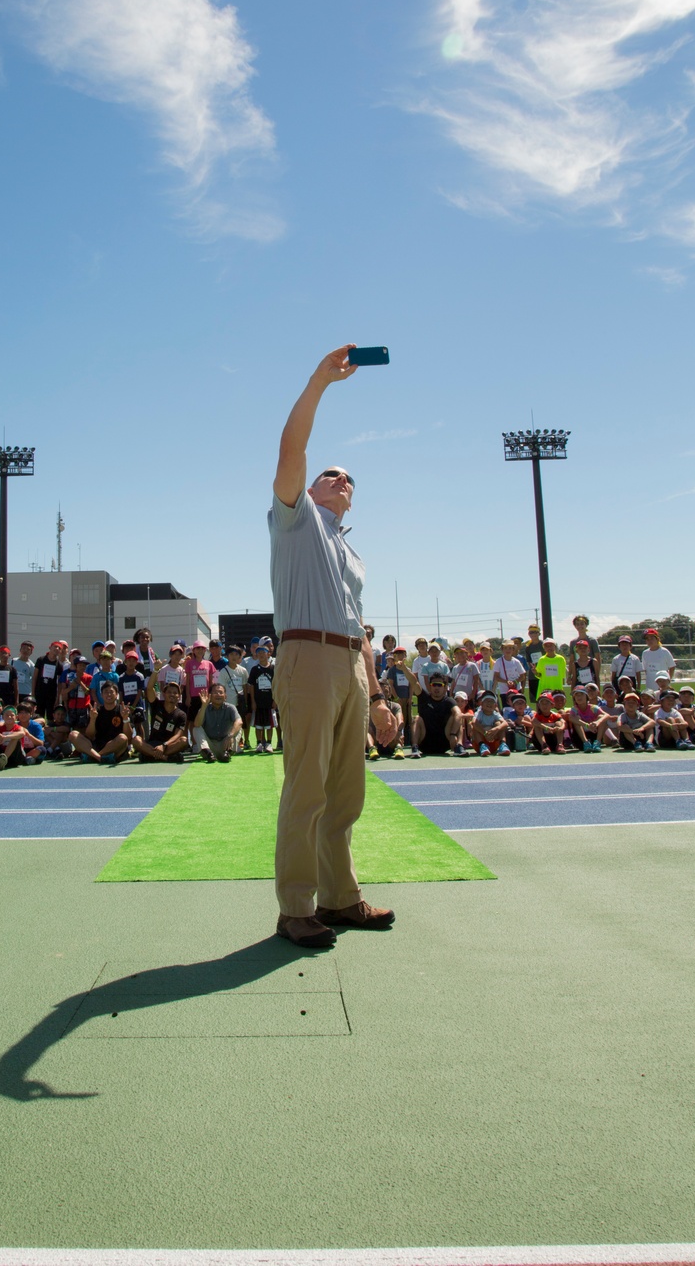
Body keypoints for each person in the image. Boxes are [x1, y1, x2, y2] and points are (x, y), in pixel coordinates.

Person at [268, 346, 397, 949]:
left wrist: (376, 697)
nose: (341, 480)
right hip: (307, 658)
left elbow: (363, 632)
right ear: (312, 487)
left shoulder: (353, 553)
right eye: (331, 473)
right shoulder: (296, 521)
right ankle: (294, 907)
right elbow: (291, 452)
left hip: (348, 661)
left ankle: (340, 899)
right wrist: (320, 380)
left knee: (346, 791)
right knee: (307, 788)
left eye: (349, 479)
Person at [410, 673, 463, 758]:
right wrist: (404, 669)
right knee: (416, 718)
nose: (436, 687)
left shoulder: (449, 701)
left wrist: (453, 735)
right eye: (434, 685)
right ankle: (415, 748)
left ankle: (459, 747)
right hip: (424, 743)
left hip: (445, 743)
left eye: (440, 685)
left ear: (445, 688)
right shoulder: (424, 698)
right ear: (430, 686)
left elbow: (458, 713)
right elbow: (414, 682)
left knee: (458, 716)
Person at [134, 681, 189, 763]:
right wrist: (156, 671)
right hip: (152, 744)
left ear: (179, 696)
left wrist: (164, 745)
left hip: (169, 745)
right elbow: (149, 688)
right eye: (169, 692)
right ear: (164, 694)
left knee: (184, 740)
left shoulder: (181, 714)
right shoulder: (156, 705)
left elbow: (178, 735)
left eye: (175, 693)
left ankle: (151, 756)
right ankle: (164, 757)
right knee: (136, 740)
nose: (172, 694)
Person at [193, 682, 241, 761]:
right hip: (210, 745)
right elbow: (197, 724)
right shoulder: (205, 708)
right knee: (196, 729)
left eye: (221, 692)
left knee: (238, 728)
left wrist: (230, 735)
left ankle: (227, 753)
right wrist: (204, 706)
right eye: (215, 692)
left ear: (225, 696)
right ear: (210, 695)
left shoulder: (231, 708)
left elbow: (239, 721)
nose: (218, 695)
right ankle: (208, 753)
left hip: (225, 744)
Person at [216, 643, 250, 750]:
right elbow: (221, 688)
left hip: (240, 701)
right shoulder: (223, 672)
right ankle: (231, 742)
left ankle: (244, 741)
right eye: (232, 654)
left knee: (242, 722)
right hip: (229, 702)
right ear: (227, 656)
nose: (234, 657)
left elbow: (245, 687)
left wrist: (245, 701)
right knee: (230, 723)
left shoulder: (243, 671)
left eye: (237, 654)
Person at [247, 642, 276, 752]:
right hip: (258, 701)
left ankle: (268, 743)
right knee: (258, 724)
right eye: (259, 653)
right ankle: (259, 743)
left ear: (268, 654)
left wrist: (275, 700)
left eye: (263, 652)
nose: (261, 655)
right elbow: (252, 686)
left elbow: (276, 685)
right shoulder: (255, 669)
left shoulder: (273, 668)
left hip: (270, 701)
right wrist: (253, 701)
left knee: (270, 724)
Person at [33, 642, 64, 719]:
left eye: (59, 648)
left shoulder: (59, 664)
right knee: (38, 716)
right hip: (39, 692)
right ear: (50, 647)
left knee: (50, 716)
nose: (57, 649)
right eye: (55, 647)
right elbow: (34, 677)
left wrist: (58, 698)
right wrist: (33, 693)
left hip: (51, 694)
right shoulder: (41, 660)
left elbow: (60, 682)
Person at [522, 624, 545, 703]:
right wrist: (533, 669)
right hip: (533, 675)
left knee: (544, 697)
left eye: (535, 632)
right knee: (535, 699)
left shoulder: (543, 645)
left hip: (543, 674)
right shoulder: (528, 647)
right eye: (531, 632)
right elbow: (529, 661)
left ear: (539, 633)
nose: (533, 634)